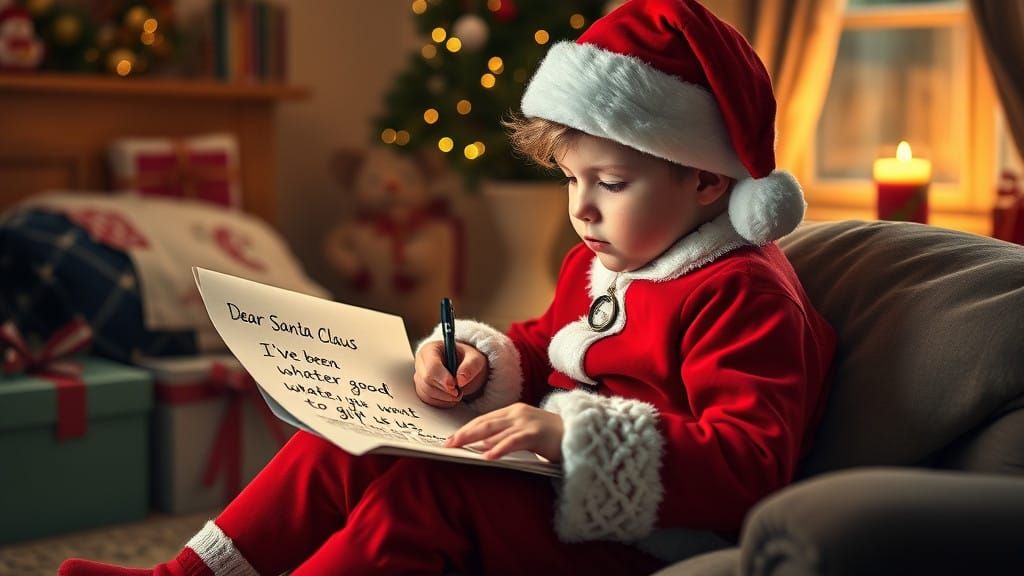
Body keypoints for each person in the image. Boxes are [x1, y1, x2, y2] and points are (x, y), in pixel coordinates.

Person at [59, 0, 835, 574]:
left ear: (704, 178)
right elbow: (547, 343)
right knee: (347, 443)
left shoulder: (742, 292)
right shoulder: (609, 258)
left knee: (430, 496)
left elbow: (749, 461)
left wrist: (571, 436)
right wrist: (476, 362)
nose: (582, 208)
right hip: (552, 485)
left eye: (612, 182)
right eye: (571, 180)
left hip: (643, 534)